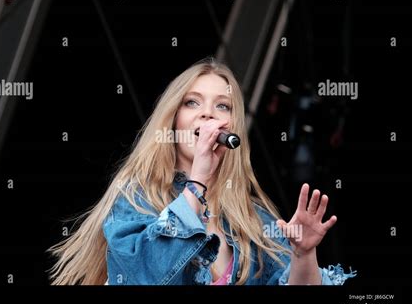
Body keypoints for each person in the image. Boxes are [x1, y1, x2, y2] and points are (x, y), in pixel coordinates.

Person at [48, 57, 356, 285]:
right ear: (173, 120)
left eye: (223, 106)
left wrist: (303, 254)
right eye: (192, 103)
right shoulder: (137, 199)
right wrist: (197, 184)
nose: (208, 112)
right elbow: (147, 274)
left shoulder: (253, 220)